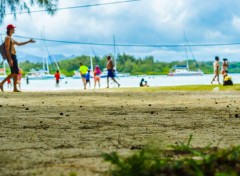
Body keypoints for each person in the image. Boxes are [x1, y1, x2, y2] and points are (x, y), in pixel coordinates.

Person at [0, 24, 35, 92]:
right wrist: (10, 59)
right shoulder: (7, 38)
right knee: (16, 72)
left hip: (13, 56)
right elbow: (6, 49)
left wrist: (28, 41)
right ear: (10, 29)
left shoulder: (11, 38)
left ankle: (15, 88)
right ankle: (1, 83)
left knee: (15, 72)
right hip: (11, 56)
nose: (14, 30)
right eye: (13, 28)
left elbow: (19, 43)